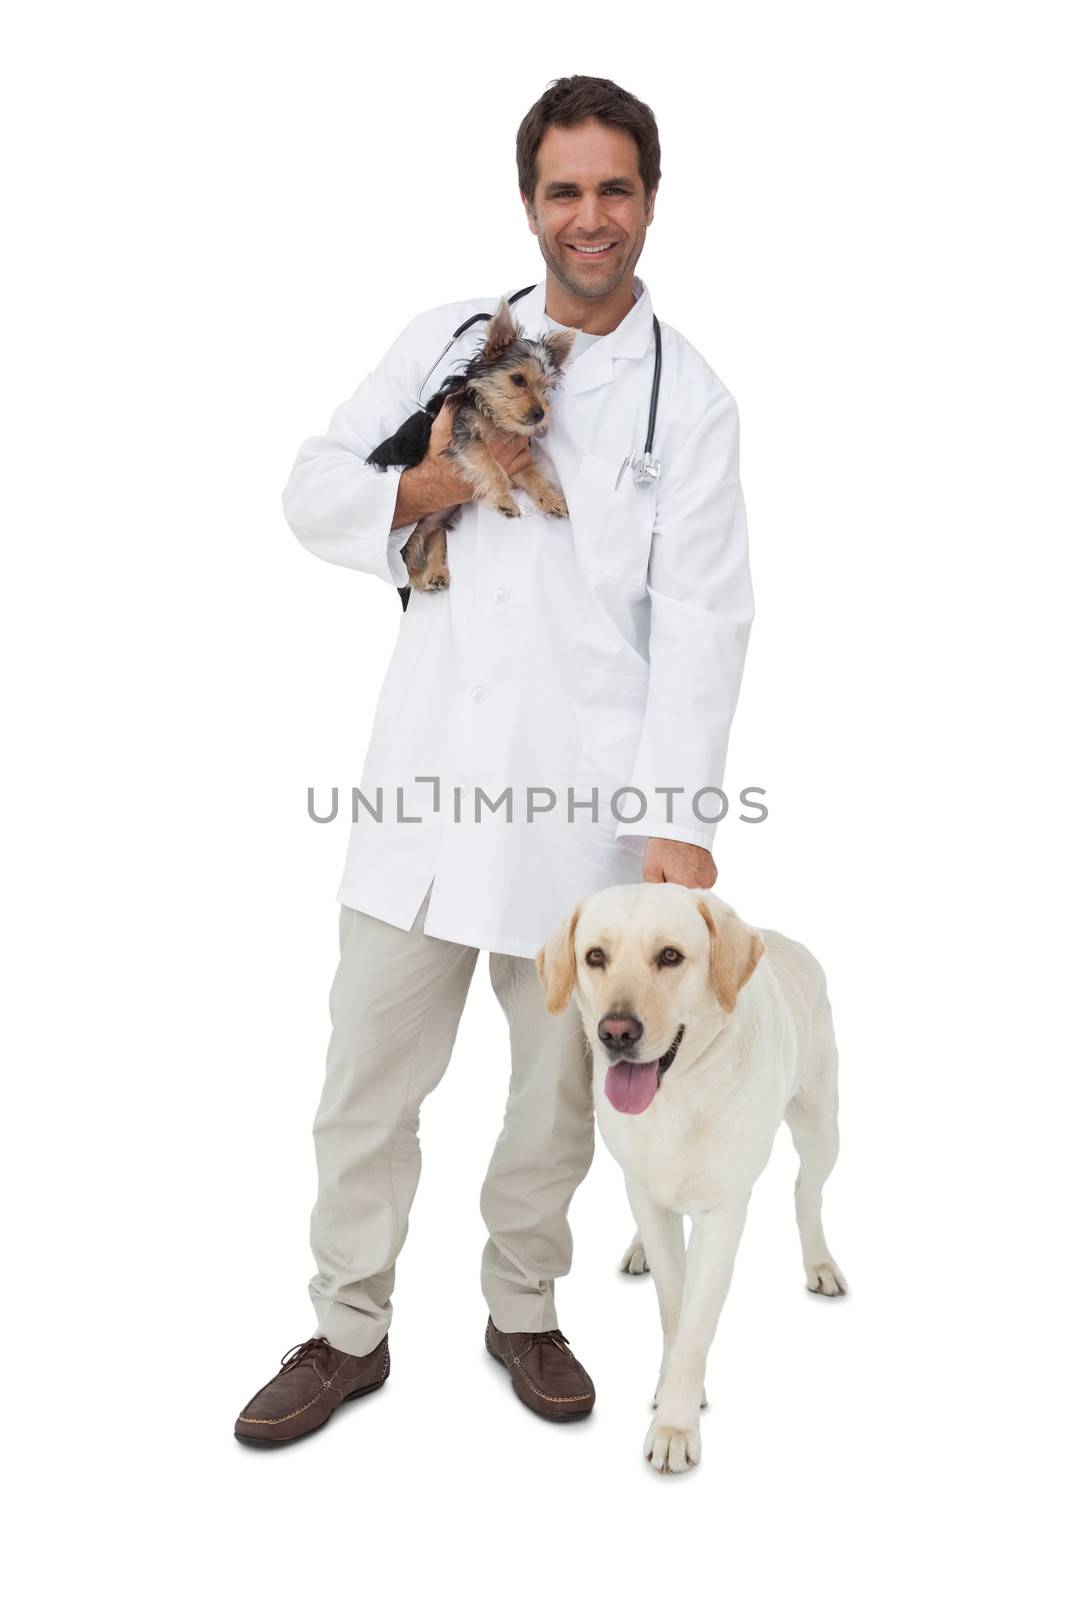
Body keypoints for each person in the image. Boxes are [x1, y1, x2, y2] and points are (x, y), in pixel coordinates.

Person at [234, 74, 754, 1447]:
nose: (592, 217)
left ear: (649, 200)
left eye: (616, 190)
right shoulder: (449, 338)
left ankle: (524, 1308)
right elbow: (311, 484)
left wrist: (679, 825)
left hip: (576, 828)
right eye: (566, 191)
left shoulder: (687, 405)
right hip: (421, 789)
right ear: (531, 203)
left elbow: (704, 618)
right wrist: (436, 483)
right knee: (362, 1085)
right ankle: (348, 1328)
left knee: (555, 1108)